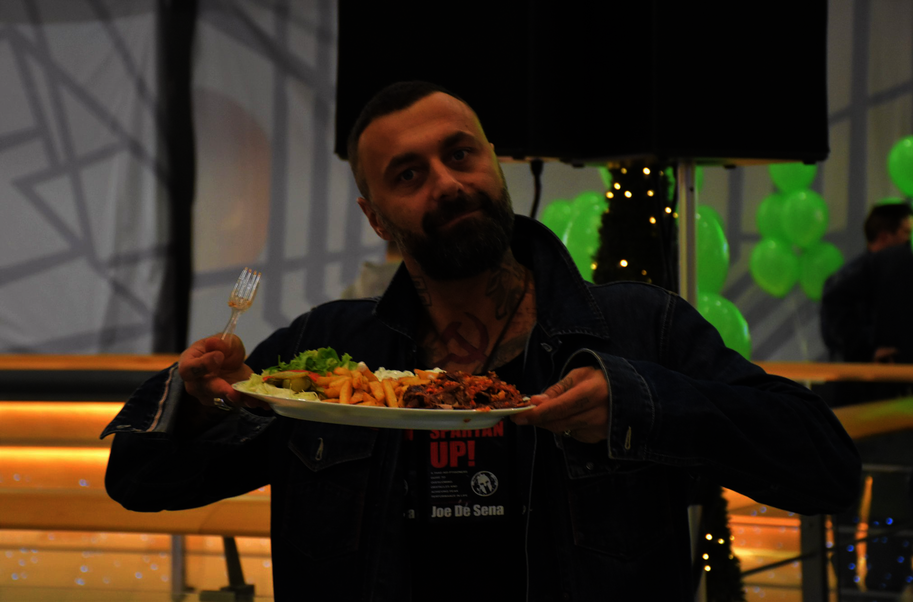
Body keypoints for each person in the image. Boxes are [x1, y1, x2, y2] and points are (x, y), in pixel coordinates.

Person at [103, 81, 860, 601]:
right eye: (408, 174)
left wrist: (638, 405)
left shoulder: (640, 328)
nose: (446, 182)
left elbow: (825, 469)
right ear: (375, 218)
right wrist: (202, 400)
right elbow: (139, 479)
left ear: (494, 164)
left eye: (459, 154)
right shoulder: (327, 351)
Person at [820, 201, 913, 595]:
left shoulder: (857, 276)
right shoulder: (869, 275)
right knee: (880, 503)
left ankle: (859, 586)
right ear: (887, 236)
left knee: (861, 504)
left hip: (864, 411)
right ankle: (875, 586)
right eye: (906, 234)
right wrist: (867, 350)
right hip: (874, 411)